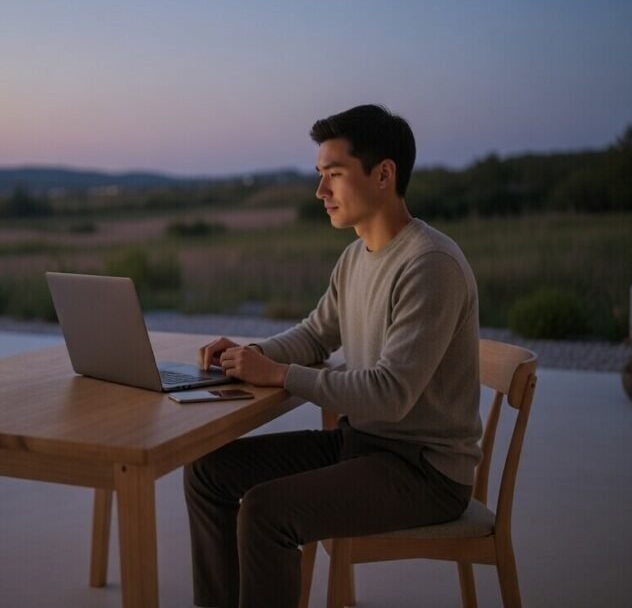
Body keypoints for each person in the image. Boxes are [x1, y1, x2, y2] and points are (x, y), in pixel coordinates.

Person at [184, 104, 482, 608]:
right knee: (208, 473)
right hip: (362, 443)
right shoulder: (356, 256)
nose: (320, 192)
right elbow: (316, 335)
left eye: (334, 175)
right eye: (320, 176)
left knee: (266, 512)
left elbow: (391, 395)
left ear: (383, 174)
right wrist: (251, 354)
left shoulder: (430, 265)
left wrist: (278, 374)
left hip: (424, 471)